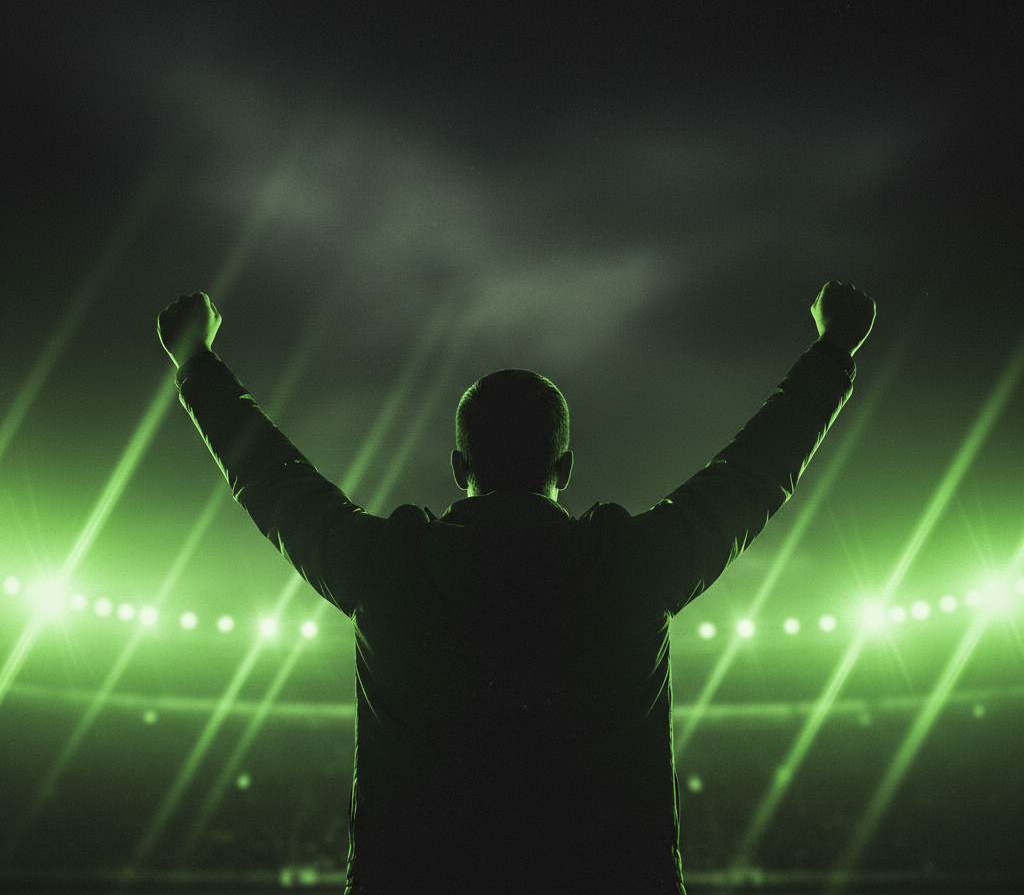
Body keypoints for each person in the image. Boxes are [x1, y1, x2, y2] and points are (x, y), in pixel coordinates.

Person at [157, 280, 875, 894]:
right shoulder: (634, 564)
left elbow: (272, 480)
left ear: (456, 464)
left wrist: (196, 363)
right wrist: (834, 349)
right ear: (563, 466)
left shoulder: (386, 565)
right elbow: (753, 472)